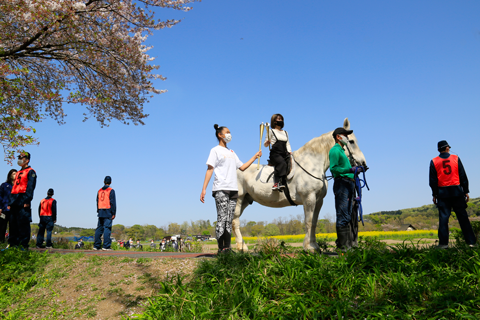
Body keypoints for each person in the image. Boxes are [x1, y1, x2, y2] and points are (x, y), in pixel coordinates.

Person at [201, 124, 262, 254]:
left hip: (233, 190)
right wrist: (204, 189)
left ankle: (227, 248)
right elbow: (210, 169)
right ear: (220, 135)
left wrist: (255, 156)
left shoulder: (231, 152)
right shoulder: (215, 150)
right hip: (220, 189)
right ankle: (220, 248)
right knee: (222, 219)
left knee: (229, 219)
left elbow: (242, 167)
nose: (229, 134)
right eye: (227, 132)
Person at [429, 140, 477, 249]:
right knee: (463, 217)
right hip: (456, 191)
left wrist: (435, 194)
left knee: (443, 219)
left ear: (438, 150)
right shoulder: (455, 158)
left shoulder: (434, 161)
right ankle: (471, 242)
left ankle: (443, 244)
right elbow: (462, 175)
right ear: (447, 148)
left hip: (442, 193)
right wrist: (466, 191)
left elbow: (433, 181)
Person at [329, 128, 363, 250]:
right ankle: (342, 248)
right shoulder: (334, 151)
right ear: (338, 137)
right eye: (345, 135)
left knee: (348, 216)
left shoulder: (343, 152)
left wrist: (355, 171)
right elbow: (333, 169)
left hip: (349, 183)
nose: (347, 138)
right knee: (343, 215)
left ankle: (347, 246)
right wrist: (349, 170)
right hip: (342, 184)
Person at [8, 152, 37, 249]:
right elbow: (14, 187)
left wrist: (27, 200)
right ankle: (12, 244)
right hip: (14, 200)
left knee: (23, 223)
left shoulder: (31, 172)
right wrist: (10, 202)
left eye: (22, 157)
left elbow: (30, 187)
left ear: (27, 160)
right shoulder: (18, 173)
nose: (19, 159)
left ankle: (23, 245)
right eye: (19, 157)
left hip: (23, 199)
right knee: (13, 223)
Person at [264, 114, 292, 191]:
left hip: (284, 153)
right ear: (274, 121)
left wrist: (290, 152)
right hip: (275, 154)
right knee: (282, 163)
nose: (280, 120)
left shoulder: (285, 132)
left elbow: (288, 143)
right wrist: (267, 143)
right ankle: (277, 183)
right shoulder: (270, 131)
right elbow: (265, 144)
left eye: (281, 119)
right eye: (278, 119)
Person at [93, 176, 116, 251]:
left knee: (99, 228)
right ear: (111, 182)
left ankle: (96, 246)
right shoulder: (111, 190)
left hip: (100, 210)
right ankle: (106, 246)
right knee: (107, 228)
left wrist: (98, 210)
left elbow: (97, 201)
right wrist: (113, 212)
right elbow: (113, 202)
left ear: (104, 181)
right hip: (108, 210)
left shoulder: (99, 191)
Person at [0, 169, 17, 243]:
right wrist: (0, 207)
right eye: (13, 174)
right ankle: (1, 242)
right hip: (4, 209)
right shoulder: (4, 185)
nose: (14, 175)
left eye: (16, 174)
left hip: (14, 210)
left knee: (13, 227)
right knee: (2, 227)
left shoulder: (18, 186)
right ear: (10, 175)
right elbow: (0, 196)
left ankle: (11, 243)